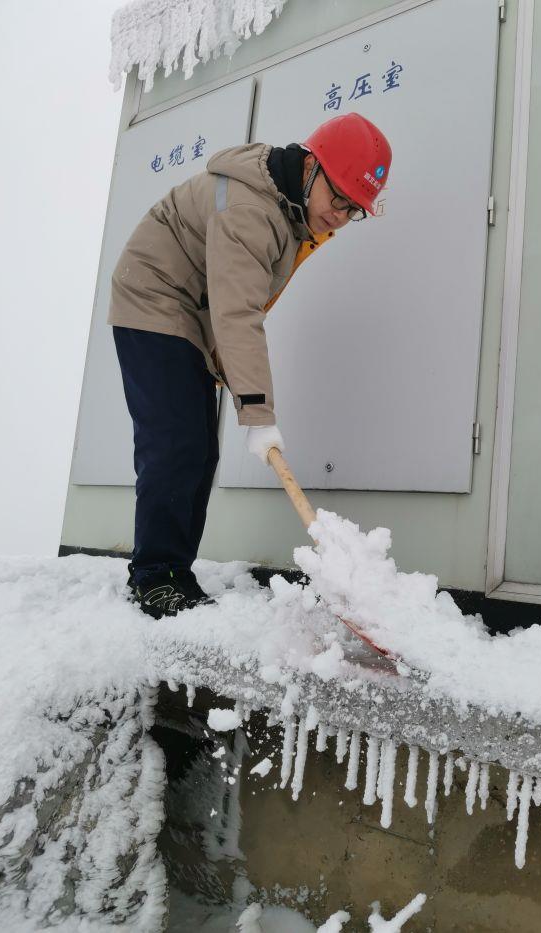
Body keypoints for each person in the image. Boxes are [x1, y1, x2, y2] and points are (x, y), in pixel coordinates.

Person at [107, 112, 393, 619]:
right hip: (152, 298)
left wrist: (228, 369)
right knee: (175, 441)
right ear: (311, 167)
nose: (342, 217)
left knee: (198, 451)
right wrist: (258, 412)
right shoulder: (251, 209)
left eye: (356, 210)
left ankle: (174, 571)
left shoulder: (290, 209)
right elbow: (238, 311)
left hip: (192, 311)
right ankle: (154, 575)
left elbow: (231, 302)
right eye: (339, 200)